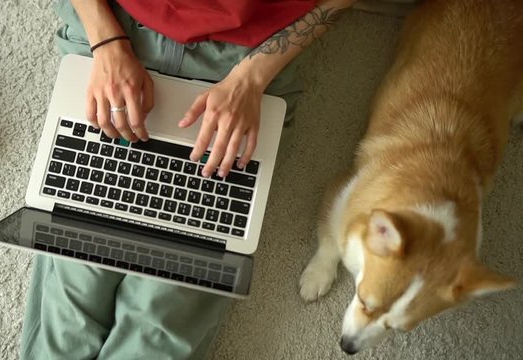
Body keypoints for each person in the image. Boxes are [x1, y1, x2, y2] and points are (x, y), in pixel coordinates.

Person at [20, 0, 356, 359]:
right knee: (76, 289)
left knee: (162, 312)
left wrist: (251, 78)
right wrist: (106, 43)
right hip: (118, 28)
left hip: (245, 62)